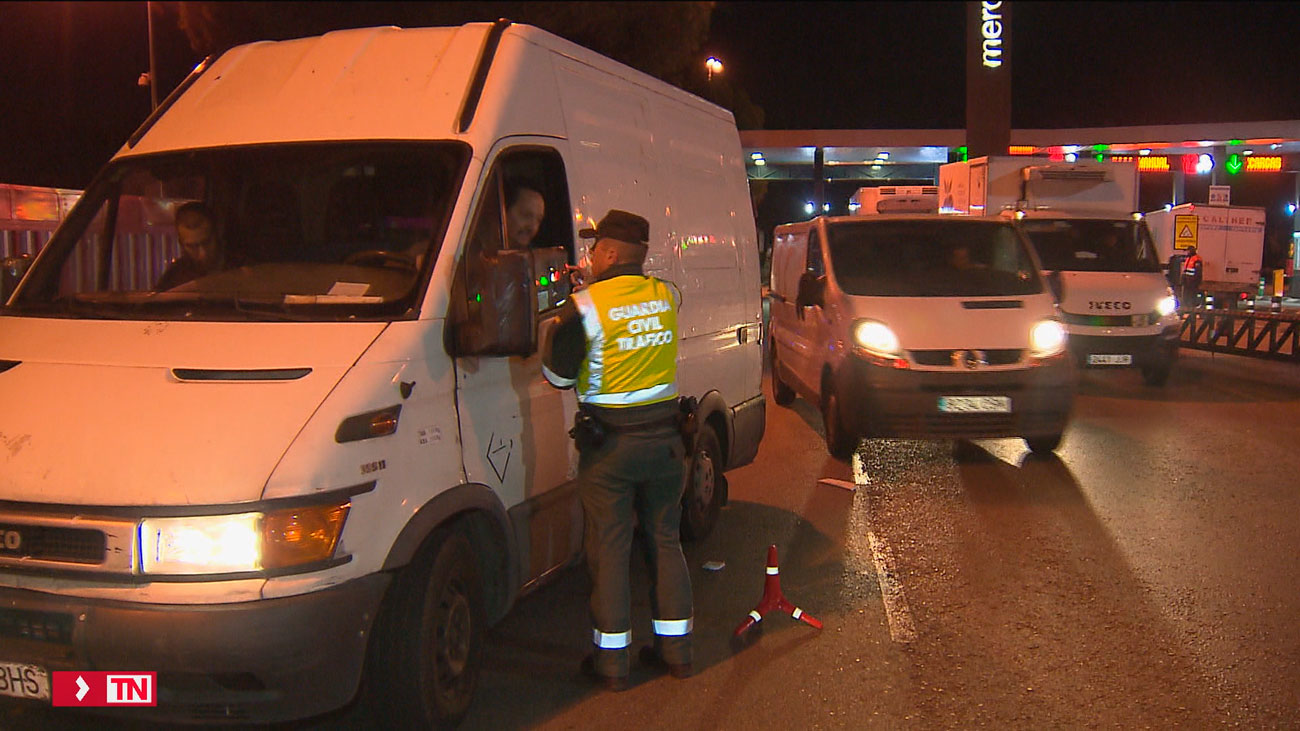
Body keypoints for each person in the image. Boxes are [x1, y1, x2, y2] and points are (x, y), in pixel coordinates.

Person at [541, 209, 692, 691]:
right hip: (667, 444)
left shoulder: (585, 306)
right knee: (665, 540)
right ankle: (677, 653)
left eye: (593, 249)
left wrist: (553, 331)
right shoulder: (666, 295)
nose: (588, 256)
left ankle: (612, 665)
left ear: (606, 254)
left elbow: (558, 376)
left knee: (609, 549)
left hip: (612, 450)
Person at [157, 201, 223, 290]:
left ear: (217, 235)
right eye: (192, 247)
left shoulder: (240, 267)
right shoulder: (174, 277)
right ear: (181, 244)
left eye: (207, 242)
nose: (203, 254)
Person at [503, 180, 546, 250]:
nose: (533, 228)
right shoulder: (481, 254)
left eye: (539, 220)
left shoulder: (534, 257)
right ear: (504, 211)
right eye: (526, 215)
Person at [1180, 245, 1204, 309]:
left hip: (1192, 283)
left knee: (1191, 299)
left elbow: (1198, 272)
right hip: (1187, 282)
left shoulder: (1196, 259)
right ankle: (1188, 314)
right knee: (1186, 299)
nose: (1187, 252)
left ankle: (1192, 316)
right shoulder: (1188, 258)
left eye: (1188, 250)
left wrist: (1195, 281)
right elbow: (1186, 271)